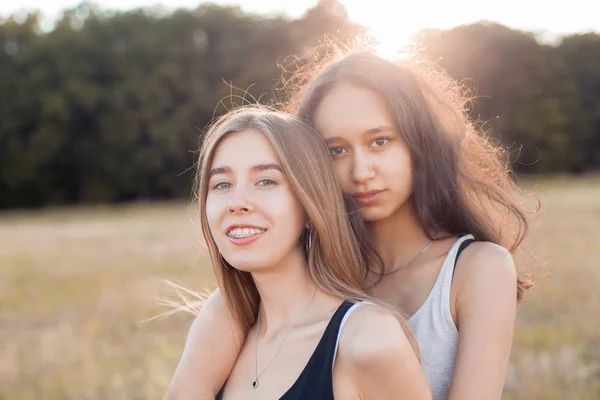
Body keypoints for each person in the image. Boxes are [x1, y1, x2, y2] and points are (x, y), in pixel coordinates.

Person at [165, 46, 534, 400]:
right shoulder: (280, 279)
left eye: (380, 141)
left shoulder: (478, 268)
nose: (360, 172)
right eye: (335, 150)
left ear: (418, 145)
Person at [171, 106, 431, 400]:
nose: (237, 202)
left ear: (310, 206)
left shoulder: (368, 339)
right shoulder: (221, 328)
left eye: (266, 181)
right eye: (222, 184)